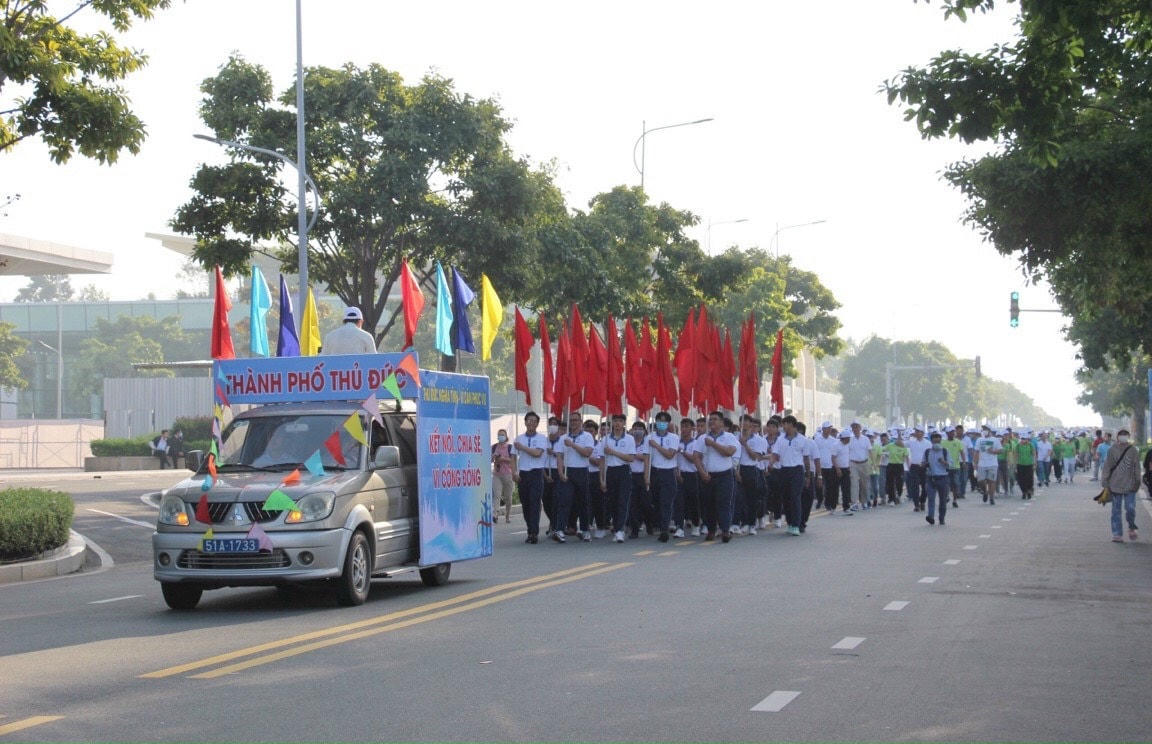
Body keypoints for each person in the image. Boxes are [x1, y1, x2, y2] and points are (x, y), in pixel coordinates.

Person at [694, 411, 739, 542]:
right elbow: (696, 456)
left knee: (723, 503)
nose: (712, 422)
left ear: (721, 422)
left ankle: (725, 530)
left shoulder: (729, 437)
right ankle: (711, 530)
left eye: (715, 419)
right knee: (708, 505)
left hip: (724, 475)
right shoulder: (702, 438)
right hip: (708, 475)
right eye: (710, 419)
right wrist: (702, 472)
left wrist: (713, 444)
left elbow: (729, 452)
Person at [512, 412, 548, 544]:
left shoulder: (541, 438)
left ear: (537, 424)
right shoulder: (519, 438)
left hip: (536, 473)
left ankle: (533, 532)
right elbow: (513, 457)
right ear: (525, 422)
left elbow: (537, 453)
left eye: (534, 421)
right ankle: (530, 528)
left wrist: (522, 447)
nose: (531, 423)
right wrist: (514, 472)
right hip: (523, 473)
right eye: (529, 420)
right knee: (525, 503)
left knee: (534, 502)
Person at [770, 415, 809, 536]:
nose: (783, 426)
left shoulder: (802, 439)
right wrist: (770, 463)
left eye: (785, 424)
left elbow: (806, 458)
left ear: (792, 424)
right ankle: (790, 523)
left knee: (795, 497)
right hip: (784, 470)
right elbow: (775, 455)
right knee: (786, 498)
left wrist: (808, 475)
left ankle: (796, 525)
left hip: (797, 471)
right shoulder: (781, 439)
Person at [1099, 429, 1140, 543]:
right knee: (1116, 510)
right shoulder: (1112, 450)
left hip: (1130, 484)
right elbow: (1107, 466)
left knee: (1130, 508)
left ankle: (1131, 526)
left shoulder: (1133, 450)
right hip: (1115, 484)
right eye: (1121, 435)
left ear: (1128, 436)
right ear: (1117, 437)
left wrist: (1137, 481)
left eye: (1125, 435)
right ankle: (1117, 534)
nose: (1123, 437)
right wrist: (1105, 481)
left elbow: (1137, 467)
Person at [600, 413, 636, 543]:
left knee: (622, 501)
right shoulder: (605, 439)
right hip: (610, 472)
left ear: (624, 424)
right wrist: (602, 479)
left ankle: (620, 529)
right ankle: (616, 527)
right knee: (612, 502)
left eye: (620, 421)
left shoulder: (629, 439)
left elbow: (630, 458)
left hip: (623, 471)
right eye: (615, 421)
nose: (617, 424)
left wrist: (614, 452)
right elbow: (602, 461)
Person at [646, 411, 681, 542]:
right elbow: (646, 458)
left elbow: (669, 455)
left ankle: (664, 529)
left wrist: (656, 445)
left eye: (664, 421)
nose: (661, 423)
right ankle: (659, 525)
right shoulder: (650, 437)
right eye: (659, 421)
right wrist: (646, 476)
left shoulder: (674, 437)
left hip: (668, 472)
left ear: (668, 423)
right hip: (654, 472)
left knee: (666, 501)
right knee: (656, 501)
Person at [562, 414, 595, 541]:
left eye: (576, 420)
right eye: (571, 420)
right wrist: (561, 471)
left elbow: (587, 453)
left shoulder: (587, 436)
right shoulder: (564, 437)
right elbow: (559, 455)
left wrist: (572, 445)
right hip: (568, 470)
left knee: (583, 502)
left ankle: (585, 529)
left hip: (581, 471)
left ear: (581, 422)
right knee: (565, 501)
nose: (573, 422)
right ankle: (561, 528)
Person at [736, 415, 768, 533]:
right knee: (740, 498)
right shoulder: (735, 437)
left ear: (750, 424)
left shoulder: (758, 440)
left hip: (751, 469)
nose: (743, 425)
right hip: (738, 469)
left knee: (751, 498)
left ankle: (752, 524)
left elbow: (755, 457)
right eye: (742, 422)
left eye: (746, 423)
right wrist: (736, 471)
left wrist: (745, 444)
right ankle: (743, 522)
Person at [923, 431, 952, 525]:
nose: (936, 444)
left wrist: (944, 462)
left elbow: (950, 465)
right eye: (934, 442)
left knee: (942, 500)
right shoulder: (927, 451)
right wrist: (924, 464)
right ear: (931, 441)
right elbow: (923, 463)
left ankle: (941, 518)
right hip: (930, 478)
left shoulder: (945, 451)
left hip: (943, 478)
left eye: (938, 442)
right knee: (931, 498)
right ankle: (930, 517)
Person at [846, 420, 871, 511]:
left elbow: (870, 451)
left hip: (864, 463)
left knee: (864, 484)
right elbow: (847, 452)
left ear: (860, 428)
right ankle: (854, 503)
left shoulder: (866, 439)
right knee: (854, 484)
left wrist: (873, 464)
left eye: (857, 427)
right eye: (853, 427)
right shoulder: (850, 440)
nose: (855, 429)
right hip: (853, 464)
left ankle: (864, 502)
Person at [491, 429, 514, 523]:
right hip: (497, 474)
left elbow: (513, 460)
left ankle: (507, 516)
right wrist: (493, 457)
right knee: (496, 495)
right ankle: (495, 514)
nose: (501, 437)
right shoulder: (494, 447)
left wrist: (503, 458)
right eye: (499, 435)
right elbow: (490, 460)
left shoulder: (510, 447)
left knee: (508, 498)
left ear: (506, 436)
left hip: (508, 475)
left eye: (502, 435)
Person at [905, 426, 931, 511]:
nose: (917, 433)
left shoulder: (928, 443)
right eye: (916, 431)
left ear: (923, 433)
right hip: (914, 466)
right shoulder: (911, 442)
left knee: (925, 486)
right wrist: (898, 434)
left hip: (924, 466)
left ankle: (922, 501)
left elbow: (930, 455)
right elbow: (900, 443)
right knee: (914, 486)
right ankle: (916, 505)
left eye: (919, 431)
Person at [974, 426, 1001, 504]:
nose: (984, 431)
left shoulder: (995, 440)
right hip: (981, 464)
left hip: (992, 464)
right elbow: (976, 452)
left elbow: (1001, 450)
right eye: (983, 430)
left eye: (985, 430)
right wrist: (975, 464)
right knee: (980, 481)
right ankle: (985, 491)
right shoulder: (979, 440)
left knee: (991, 481)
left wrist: (993, 451)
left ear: (989, 431)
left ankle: (991, 498)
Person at [882, 431, 908, 505]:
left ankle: (898, 495)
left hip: (899, 466)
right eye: (897, 438)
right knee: (890, 482)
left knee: (899, 482)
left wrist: (908, 465)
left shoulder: (903, 447)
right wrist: (885, 453)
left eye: (900, 438)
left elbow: (905, 457)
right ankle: (891, 499)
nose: (898, 440)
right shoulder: (890, 445)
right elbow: (882, 449)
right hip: (891, 465)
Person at [1015, 430, 1036, 500]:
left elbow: (1033, 454)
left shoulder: (1030, 445)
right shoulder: (1018, 445)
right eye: (1022, 439)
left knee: (1029, 478)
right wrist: (1015, 464)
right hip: (1020, 464)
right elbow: (1016, 455)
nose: (1024, 440)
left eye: (1025, 439)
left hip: (1029, 464)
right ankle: (1024, 492)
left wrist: (1034, 463)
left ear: (1027, 439)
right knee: (1021, 479)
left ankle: (1029, 490)